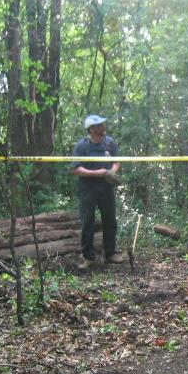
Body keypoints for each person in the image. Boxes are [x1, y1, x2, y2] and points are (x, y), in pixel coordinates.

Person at [71, 114, 124, 269]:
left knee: (110, 220)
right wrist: (97, 173)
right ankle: (88, 256)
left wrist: (111, 172)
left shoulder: (110, 143)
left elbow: (117, 161)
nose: (104, 127)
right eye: (100, 125)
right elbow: (76, 169)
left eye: (103, 124)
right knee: (87, 221)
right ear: (92, 129)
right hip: (88, 189)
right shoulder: (82, 146)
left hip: (106, 187)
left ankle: (110, 253)